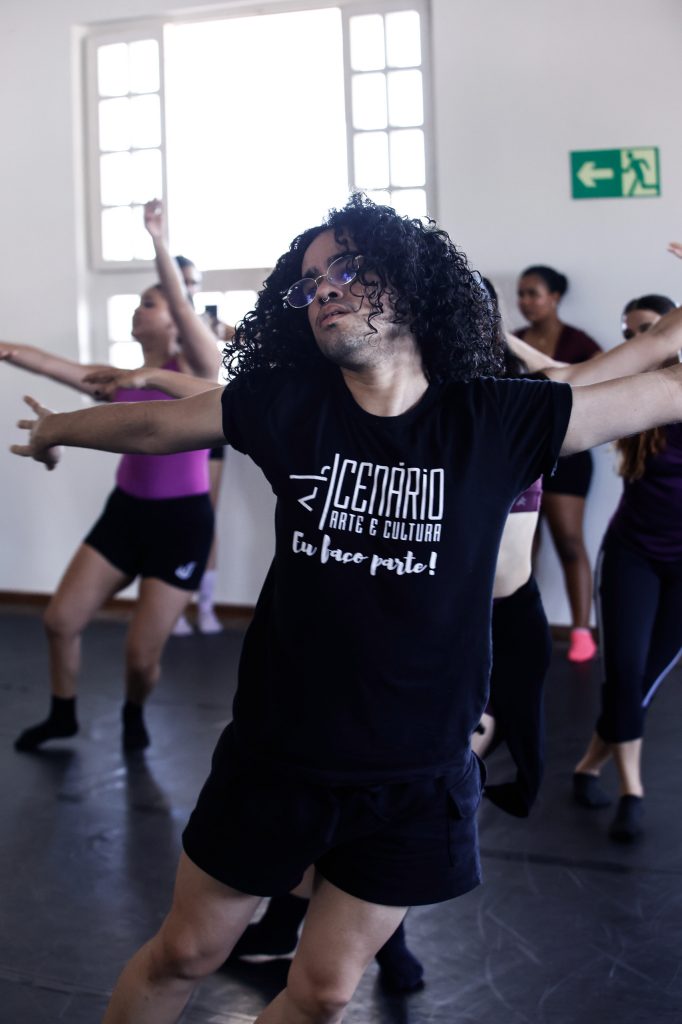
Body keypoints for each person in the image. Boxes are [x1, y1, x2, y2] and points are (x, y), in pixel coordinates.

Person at [11, 196, 682, 1024]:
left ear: (411, 285)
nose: (325, 289)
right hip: (279, 757)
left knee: (326, 993)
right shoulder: (290, 405)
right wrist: (57, 430)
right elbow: (156, 426)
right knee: (185, 952)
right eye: (310, 282)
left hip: (418, 773)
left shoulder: (499, 418)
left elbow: (665, 387)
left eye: (349, 268)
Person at [3, 218, 220, 753]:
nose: (137, 310)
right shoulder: (118, 379)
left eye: (149, 303)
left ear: (176, 317)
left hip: (181, 525)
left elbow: (182, 304)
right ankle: (62, 716)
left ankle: (133, 711)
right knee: (60, 620)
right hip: (125, 513)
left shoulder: (197, 369)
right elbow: (48, 364)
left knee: (141, 658)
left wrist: (158, 242)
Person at [573, 291, 682, 841]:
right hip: (632, 555)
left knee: (641, 682)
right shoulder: (633, 394)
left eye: (649, 328)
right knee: (624, 674)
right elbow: (567, 379)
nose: (639, 340)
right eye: (629, 333)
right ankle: (632, 791)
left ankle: (588, 765)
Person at [150, 209, 234, 637]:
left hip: (209, 426)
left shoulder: (207, 325)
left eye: (196, 281)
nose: (191, 287)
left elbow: (248, 344)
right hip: (174, 424)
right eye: (184, 281)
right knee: (168, 513)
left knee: (205, 515)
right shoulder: (167, 323)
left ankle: (204, 605)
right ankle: (175, 606)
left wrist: (223, 332)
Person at [516, 264, 602, 662]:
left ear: (555, 297)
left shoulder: (579, 342)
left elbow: (598, 389)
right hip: (523, 456)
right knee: (521, 546)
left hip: (569, 455)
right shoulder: (512, 340)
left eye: (533, 293)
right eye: (521, 294)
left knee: (569, 541)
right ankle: (518, 625)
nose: (525, 301)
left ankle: (582, 631)